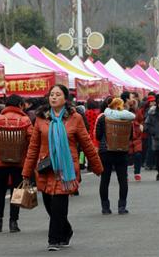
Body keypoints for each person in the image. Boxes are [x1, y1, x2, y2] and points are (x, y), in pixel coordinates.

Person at [22, 85, 103, 251]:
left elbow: (86, 143)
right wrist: (26, 172)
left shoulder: (75, 118)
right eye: (51, 94)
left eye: (57, 94)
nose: (53, 97)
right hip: (46, 167)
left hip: (66, 169)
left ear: (65, 99)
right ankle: (66, 229)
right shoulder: (40, 118)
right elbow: (33, 147)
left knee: (59, 203)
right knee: (49, 204)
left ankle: (54, 239)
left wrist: (97, 166)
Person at [0, 94, 32, 233]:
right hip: (19, 162)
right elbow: (32, 140)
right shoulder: (25, 119)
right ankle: (13, 222)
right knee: (16, 192)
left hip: (0, 162)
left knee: (0, 191)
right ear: (20, 105)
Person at [96, 97, 135, 215]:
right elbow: (131, 136)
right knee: (122, 179)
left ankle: (105, 207)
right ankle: (122, 207)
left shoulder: (103, 118)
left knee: (105, 179)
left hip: (105, 151)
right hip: (121, 151)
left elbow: (98, 135)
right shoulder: (127, 119)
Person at [127, 100, 143, 181]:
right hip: (126, 137)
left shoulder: (138, 111)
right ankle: (124, 174)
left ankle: (137, 172)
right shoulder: (123, 112)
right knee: (126, 156)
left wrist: (140, 126)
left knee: (138, 154)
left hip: (137, 136)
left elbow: (141, 120)